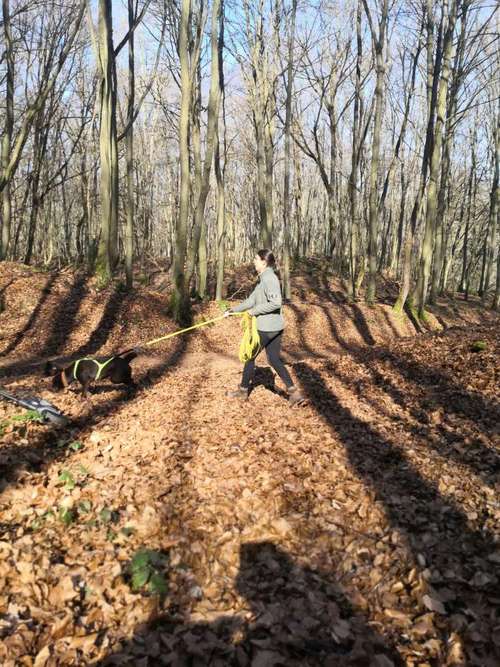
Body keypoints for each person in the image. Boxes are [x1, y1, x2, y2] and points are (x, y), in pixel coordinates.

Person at [224, 249, 305, 406]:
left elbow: (275, 303)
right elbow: (250, 301)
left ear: (264, 262)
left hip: (267, 328)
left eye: (256, 259)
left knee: (249, 357)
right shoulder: (263, 280)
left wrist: (253, 312)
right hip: (274, 328)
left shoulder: (270, 279)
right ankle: (294, 393)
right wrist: (232, 311)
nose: (253, 261)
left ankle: (242, 392)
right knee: (274, 359)